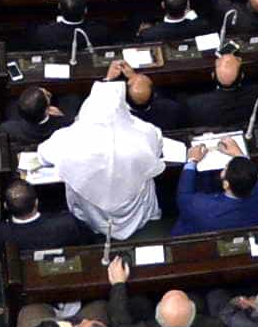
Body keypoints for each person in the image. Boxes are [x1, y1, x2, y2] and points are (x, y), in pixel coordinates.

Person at [41, 70, 166, 241]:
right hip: (133, 207)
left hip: (93, 211)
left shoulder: (67, 138)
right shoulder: (145, 132)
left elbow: (43, 155)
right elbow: (157, 148)